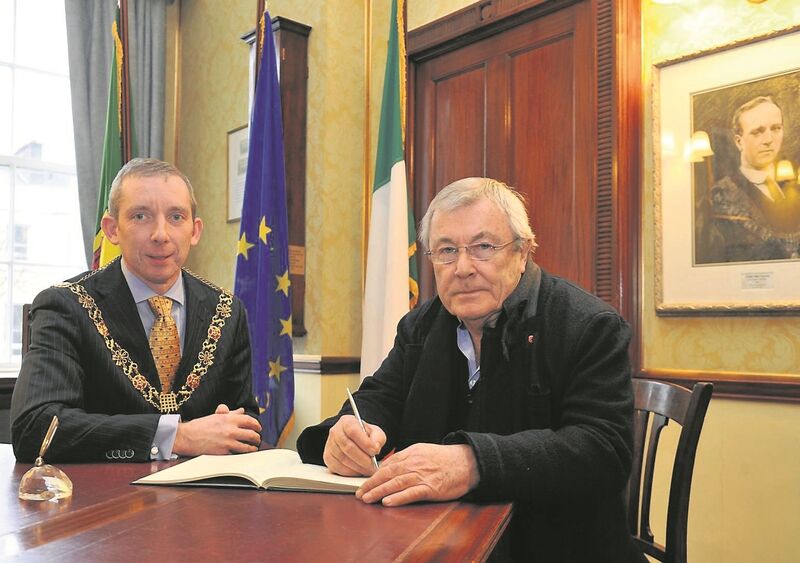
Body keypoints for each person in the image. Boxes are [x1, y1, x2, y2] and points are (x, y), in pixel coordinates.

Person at [297, 178, 645, 562]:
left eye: (483, 247)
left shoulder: (587, 325)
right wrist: (346, 433)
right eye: (446, 250)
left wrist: (472, 462)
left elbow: (602, 450)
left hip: (560, 547)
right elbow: (380, 397)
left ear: (522, 251)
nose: (462, 268)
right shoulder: (421, 326)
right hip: (442, 543)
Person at [11, 158, 262, 463]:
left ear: (194, 231)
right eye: (141, 216)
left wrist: (234, 426)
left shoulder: (228, 311)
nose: (161, 234)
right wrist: (177, 436)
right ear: (112, 229)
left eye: (176, 217)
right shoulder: (66, 306)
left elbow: (246, 420)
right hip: (103, 502)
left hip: (202, 502)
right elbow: (35, 428)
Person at [704, 96, 800, 262]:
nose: (769, 140)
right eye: (757, 132)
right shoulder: (722, 194)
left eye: (776, 128)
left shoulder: (792, 187)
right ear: (739, 141)